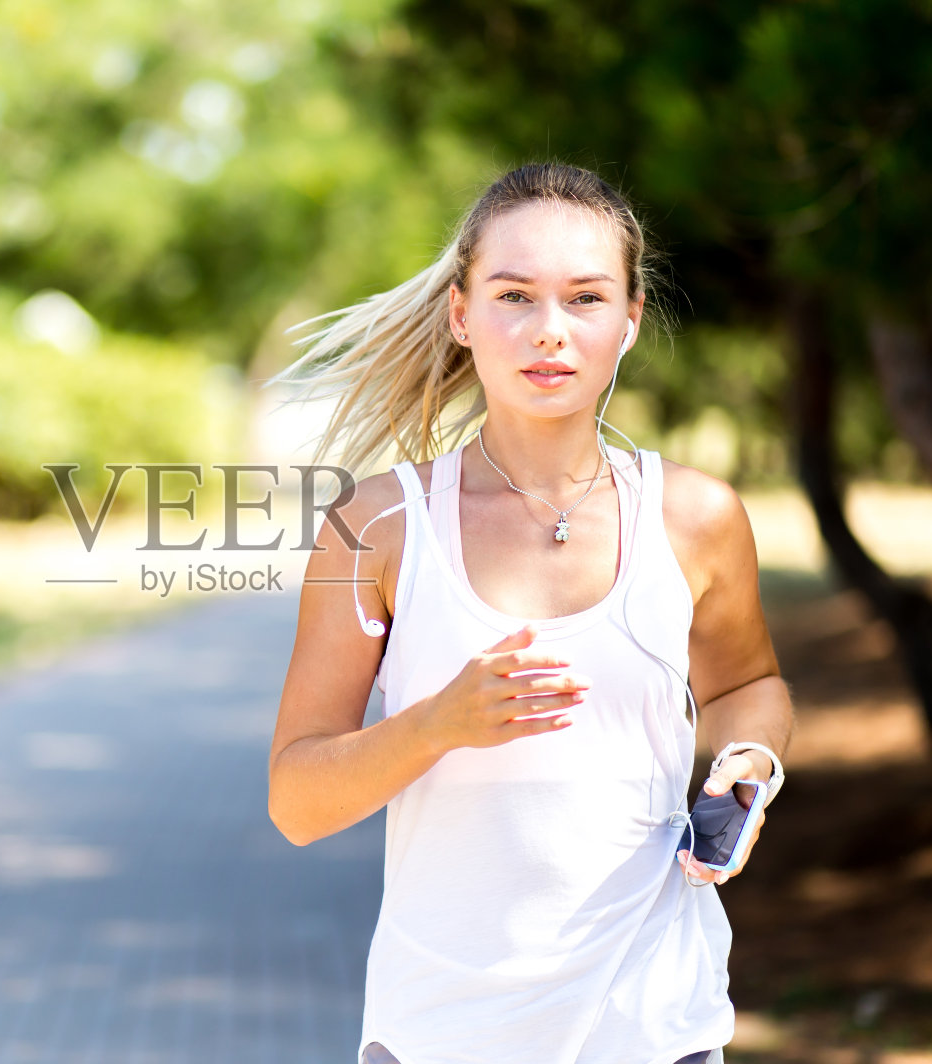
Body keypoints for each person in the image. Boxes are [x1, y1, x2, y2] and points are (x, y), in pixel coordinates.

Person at [265, 162, 795, 1064]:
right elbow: (298, 801)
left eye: (585, 298)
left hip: (655, 1027)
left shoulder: (696, 516)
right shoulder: (379, 527)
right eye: (515, 295)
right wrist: (439, 723)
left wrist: (748, 764)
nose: (550, 331)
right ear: (461, 314)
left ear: (629, 322)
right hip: (439, 1031)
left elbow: (750, 682)